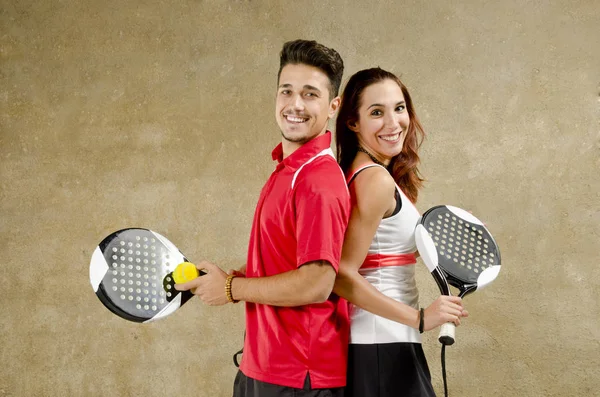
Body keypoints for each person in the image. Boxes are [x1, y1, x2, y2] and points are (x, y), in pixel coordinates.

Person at [175, 40, 350, 397]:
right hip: (265, 366)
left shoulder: (319, 180)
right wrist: (231, 276)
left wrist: (231, 289)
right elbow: (284, 259)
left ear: (333, 106)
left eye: (310, 94)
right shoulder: (288, 170)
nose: (295, 104)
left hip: (299, 376)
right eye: (287, 91)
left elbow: (316, 282)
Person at [333, 67, 469, 397]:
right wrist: (420, 318)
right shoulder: (374, 180)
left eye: (399, 108)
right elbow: (342, 274)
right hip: (381, 344)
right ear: (353, 122)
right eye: (376, 112)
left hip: (386, 343)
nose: (394, 123)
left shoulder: (369, 174)